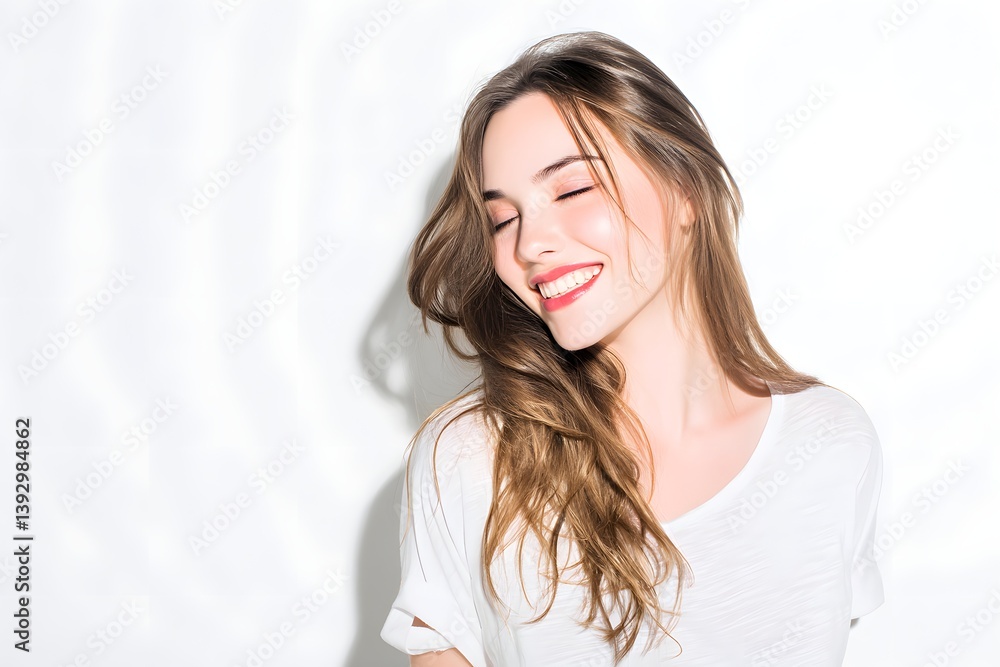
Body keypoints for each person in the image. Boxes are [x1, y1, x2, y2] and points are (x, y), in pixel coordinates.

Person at [380, 31, 884, 666]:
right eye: (502, 219)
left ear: (686, 191)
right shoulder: (470, 459)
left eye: (572, 190)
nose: (530, 244)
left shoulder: (832, 440)